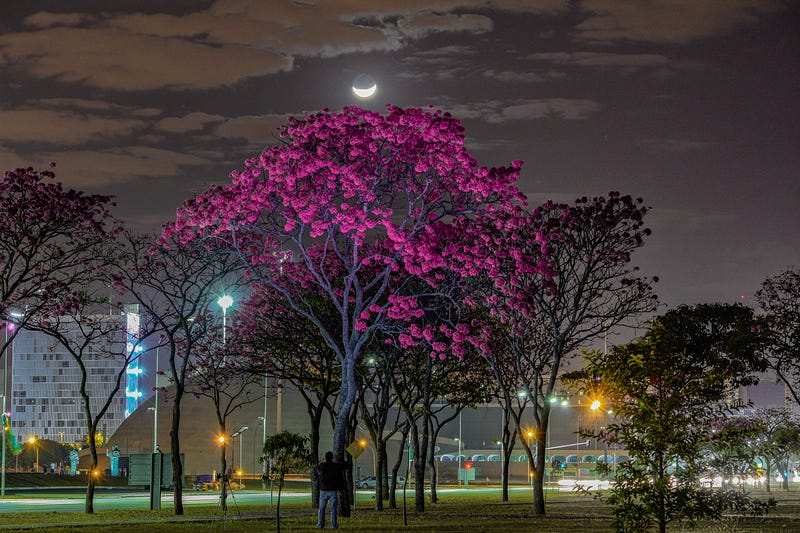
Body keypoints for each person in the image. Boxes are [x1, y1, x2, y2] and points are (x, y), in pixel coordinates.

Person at [316, 451, 345, 529]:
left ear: (325, 457)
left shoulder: (321, 466)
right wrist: (340, 460)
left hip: (323, 490)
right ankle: (333, 525)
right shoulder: (336, 466)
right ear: (332, 458)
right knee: (333, 509)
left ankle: (320, 524)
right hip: (333, 490)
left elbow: (317, 470)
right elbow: (345, 466)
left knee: (321, 508)